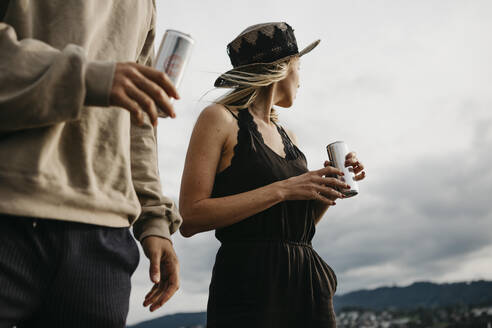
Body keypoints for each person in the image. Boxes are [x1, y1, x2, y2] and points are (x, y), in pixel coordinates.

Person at [0, 1, 182, 327]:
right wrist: (86, 77)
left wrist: (155, 219)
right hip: (10, 209)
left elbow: (139, 122)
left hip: (105, 238)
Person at [179, 22, 366, 327]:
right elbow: (189, 217)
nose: (301, 79)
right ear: (280, 68)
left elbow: (290, 228)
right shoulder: (218, 118)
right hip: (250, 287)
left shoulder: (287, 134)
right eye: (299, 66)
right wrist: (284, 188)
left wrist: (327, 185)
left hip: (306, 286)